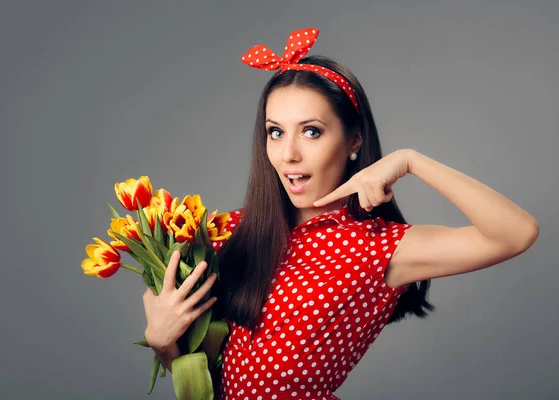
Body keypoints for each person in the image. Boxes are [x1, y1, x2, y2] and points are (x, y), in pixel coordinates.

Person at [142, 28, 539, 400]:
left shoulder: (377, 247)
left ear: (354, 139)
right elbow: (208, 382)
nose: (288, 153)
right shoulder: (227, 231)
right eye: (275, 131)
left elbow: (516, 234)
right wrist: (165, 343)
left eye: (311, 131)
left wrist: (410, 161)